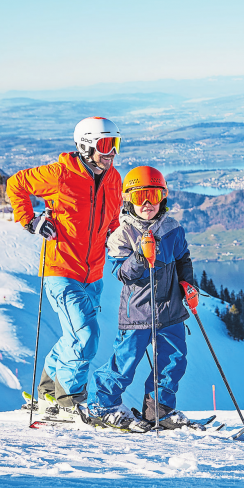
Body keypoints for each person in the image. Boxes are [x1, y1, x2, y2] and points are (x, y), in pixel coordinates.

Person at [7, 117, 123, 417]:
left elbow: (111, 218)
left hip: (93, 274)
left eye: (116, 145)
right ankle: (69, 399)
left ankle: (47, 389)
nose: (111, 153)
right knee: (86, 335)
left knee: (74, 335)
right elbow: (16, 184)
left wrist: (115, 237)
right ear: (86, 145)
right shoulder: (60, 173)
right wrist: (31, 220)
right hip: (60, 271)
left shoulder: (114, 179)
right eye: (105, 145)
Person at [87, 166, 197, 431]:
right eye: (139, 197)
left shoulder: (172, 227)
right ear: (128, 200)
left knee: (173, 362)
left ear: (163, 198)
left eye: (153, 195)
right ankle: (103, 405)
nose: (147, 203)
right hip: (137, 314)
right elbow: (121, 274)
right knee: (124, 363)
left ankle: (158, 410)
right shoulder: (122, 234)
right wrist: (139, 257)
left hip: (171, 311)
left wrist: (188, 285)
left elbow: (183, 259)